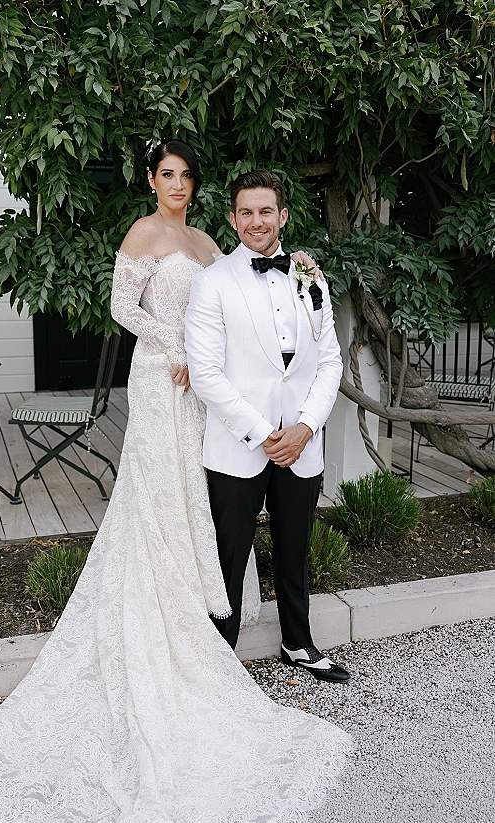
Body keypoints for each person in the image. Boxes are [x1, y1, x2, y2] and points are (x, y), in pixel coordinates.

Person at [0, 143, 352, 823]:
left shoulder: (215, 245)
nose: (178, 185)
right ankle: (179, 635)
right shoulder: (145, 234)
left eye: (188, 175)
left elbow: (263, 323)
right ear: (152, 181)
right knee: (163, 497)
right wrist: (177, 344)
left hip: (216, 401)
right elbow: (125, 306)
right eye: (168, 175)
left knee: (201, 503)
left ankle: (228, 625)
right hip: (166, 377)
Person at [185, 169, 351, 683]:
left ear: (284, 216)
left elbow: (330, 361)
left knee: (295, 546)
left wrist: (303, 429)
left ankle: (298, 644)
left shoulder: (310, 277)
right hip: (240, 444)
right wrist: (264, 434)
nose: (257, 221)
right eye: (246, 212)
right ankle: (221, 659)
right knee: (229, 553)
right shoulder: (212, 282)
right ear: (234, 219)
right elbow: (206, 373)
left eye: (266, 211)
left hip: (301, 444)